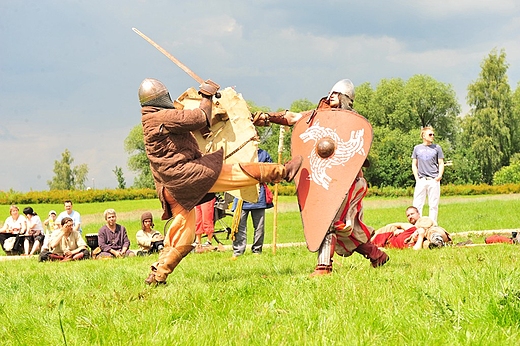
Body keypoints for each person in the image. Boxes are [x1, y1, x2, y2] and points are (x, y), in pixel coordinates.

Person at [138, 77, 303, 285]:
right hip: (187, 176)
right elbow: (200, 118)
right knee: (230, 173)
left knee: (183, 232)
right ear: (161, 98)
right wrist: (206, 95)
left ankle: (158, 274)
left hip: (172, 186)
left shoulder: (151, 120)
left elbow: (197, 125)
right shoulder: (160, 117)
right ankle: (282, 172)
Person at [259, 79, 390, 276]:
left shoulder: (351, 122)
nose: (331, 97)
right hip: (329, 181)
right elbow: (294, 117)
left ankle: (324, 267)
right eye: (331, 94)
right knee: (346, 228)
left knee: (328, 220)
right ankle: (377, 256)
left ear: (345, 98)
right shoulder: (319, 117)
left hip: (350, 183)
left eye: (336, 94)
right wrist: (267, 117)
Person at [231, 149, 274, 258]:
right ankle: (238, 252)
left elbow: (271, 172)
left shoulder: (263, 154)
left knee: (259, 226)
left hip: (258, 195)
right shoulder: (239, 154)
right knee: (239, 225)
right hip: (241, 195)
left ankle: (257, 251)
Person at [371, 206, 451, 250]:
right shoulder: (410, 228)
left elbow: (399, 224)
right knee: (427, 243)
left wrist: (420, 233)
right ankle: (438, 242)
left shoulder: (421, 222)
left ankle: (437, 239)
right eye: (408, 215)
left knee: (430, 230)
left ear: (418, 213)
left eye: (412, 214)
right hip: (414, 236)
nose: (410, 216)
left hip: (422, 231)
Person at [411, 126, 444, 223]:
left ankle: (433, 224)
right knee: (417, 204)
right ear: (423, 135)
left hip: (433, 179)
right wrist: (417, 178)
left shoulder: (437, 148)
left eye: (433, 134)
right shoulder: (417, 148)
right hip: (421, 179)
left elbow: (441, 163)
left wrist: (440, 175)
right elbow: (414, 164)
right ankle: (417, 225)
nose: (432, 136)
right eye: (430, 134)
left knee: (433, 204)